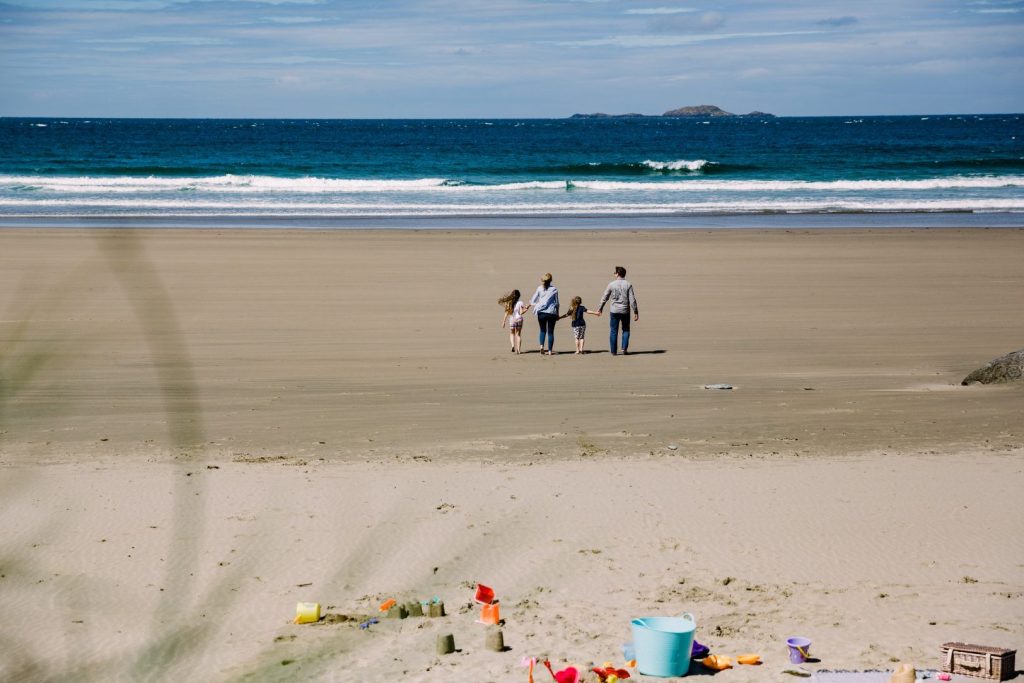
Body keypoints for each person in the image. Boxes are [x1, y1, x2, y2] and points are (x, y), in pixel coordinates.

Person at [597, 266, 639, 355]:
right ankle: (624, 348)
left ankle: (613, 351)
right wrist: (635, 311)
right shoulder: (628, 284)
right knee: (626, 330)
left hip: (614, 311)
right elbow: (632, 300)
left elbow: (605, 297)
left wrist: (600, 308)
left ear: (617, 274)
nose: (614, 274)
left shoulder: (611, 284)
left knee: (613, 331)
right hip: (625, 311)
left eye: (615, 272)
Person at [529, 272, 560, 355]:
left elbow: (533, 300)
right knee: (550, 332)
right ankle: (550, 351)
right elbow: (557, 303)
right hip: (551, 313)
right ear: (551, 280)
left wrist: (535, 305)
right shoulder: (554, 289)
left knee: (542, 330)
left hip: (541, 313)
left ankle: (542, 346)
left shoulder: (539, 288)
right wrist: (558, 314)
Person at [498, 289, 529, 354]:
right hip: (519, 319)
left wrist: (503, 321)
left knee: (512, 333)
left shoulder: (509, 303)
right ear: (518, 296)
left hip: (512, 319)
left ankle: (512, 346)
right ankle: (519, 350)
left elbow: (506, 313)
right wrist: (526, 309)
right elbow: (521, 312)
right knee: (518, 335)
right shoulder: (520, 302)